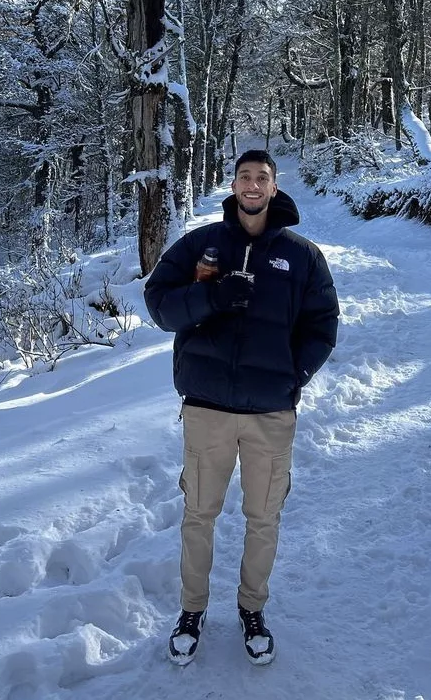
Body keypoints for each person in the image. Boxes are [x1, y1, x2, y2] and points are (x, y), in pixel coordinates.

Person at [144, 149, 339, 666]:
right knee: (198, 516)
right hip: (207, 408)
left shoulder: (302, 256)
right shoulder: (200, 245)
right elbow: (158, 303)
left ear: (274, 188)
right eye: (244, 177)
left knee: (263, 518)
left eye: (262, 178)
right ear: (232, 185)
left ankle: (252, 609)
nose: (253, 185)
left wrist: (292, 377)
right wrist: (210, 298)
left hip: (270, 415)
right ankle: (192, 611)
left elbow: (323, 325)